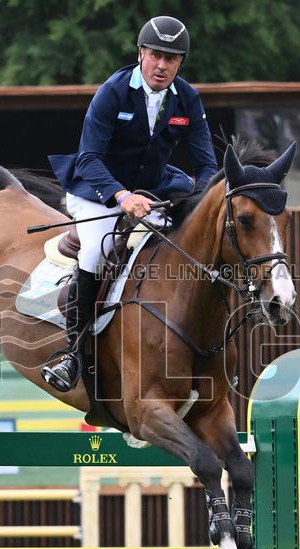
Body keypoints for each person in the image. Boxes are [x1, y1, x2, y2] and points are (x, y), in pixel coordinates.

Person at [42, 15, 217, 392]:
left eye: (171, 59)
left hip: (155, 188)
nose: (162, 65)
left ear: (180, 63)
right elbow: (89, 158)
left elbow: (207, 165)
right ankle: (73, 351)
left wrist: (200, 201)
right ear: (141, 54)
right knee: (95, 252)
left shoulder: (188, 97)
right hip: (98, 188)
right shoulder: (113, 92)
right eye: (155, 55)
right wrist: (122, 196)